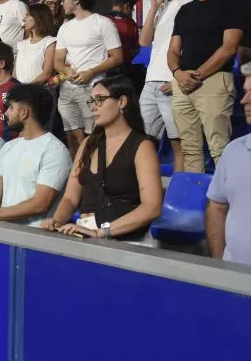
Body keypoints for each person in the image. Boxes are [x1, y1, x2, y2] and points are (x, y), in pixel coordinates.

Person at [41, 76, 162, 244]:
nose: (93, 107)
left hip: (126, 240)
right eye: (92, 101)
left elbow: (152, 207)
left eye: (100, 100)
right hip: (86, 234)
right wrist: (57, 221)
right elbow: (70, 198)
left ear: (121, 102)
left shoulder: (142, 145)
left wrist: (101, 232)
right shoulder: (88, 143)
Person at [169, 0, 250, 172]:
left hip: (213, 81)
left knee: (219, 147)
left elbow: (229, 48)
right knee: (189, 149)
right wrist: (178, 74)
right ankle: (196, 193)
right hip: (182, 82)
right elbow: (173, 50)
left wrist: (195, 76)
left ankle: (227, 193)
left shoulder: (233, 2)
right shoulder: (185, 9)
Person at [206, 58, 251, 269]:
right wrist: (220, 266)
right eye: (246, 91)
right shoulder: (234, 150)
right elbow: (217, 208)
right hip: (233, 278)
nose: (244, 100)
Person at [0, 83, 73, 226]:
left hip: (36, 236)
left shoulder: (55, 150)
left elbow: (41, 203)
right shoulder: (8, 147)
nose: (6, 113)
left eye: (11, 107)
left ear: (24, 113)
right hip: (5, 232)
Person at [55, 0, 124, 158]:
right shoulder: (65, 27)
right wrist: (66, 71)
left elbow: (117, 57)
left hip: (92, 88)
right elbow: (57, 61)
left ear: (76, 0)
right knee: (72, 137)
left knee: (93, 137)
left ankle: (95, 170)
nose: (61, 3)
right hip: (67, 89)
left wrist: (91, 72)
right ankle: (77, 172)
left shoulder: (103, 23)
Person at [139, 0, 194, 172]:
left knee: (178, 143)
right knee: (143, 141)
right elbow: (144, 41)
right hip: (151, 80)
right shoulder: (163, 5)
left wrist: (177, 79)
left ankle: (178, 189)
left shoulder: (193, 4)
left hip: (172, 81)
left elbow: (192, 48)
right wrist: (153, 7)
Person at [15, 3, 58, 85]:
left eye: (27, 15)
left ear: (38, 18)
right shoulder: (21, 44)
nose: (23, 19)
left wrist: (26, 89)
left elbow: (46, 74)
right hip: (20, 90)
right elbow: (15, 73)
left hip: (38, 90)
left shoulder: (50, 42)